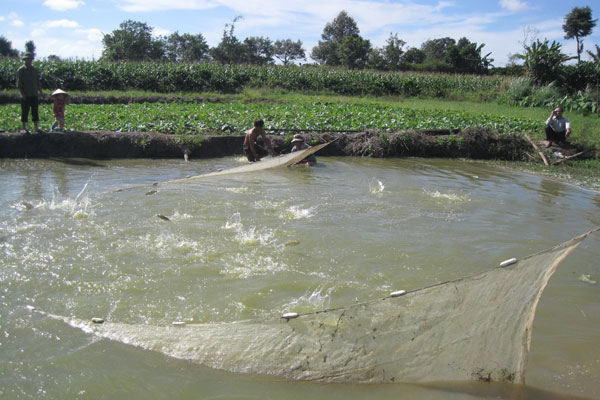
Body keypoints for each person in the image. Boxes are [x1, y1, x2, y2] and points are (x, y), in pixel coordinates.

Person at [16, 52, 43, 133]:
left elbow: (37, 82)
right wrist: (22, 93)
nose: (29, 61)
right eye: (27, 59)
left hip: (34, 93)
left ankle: (36, 128)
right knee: (25, 111)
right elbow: (19, 83)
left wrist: (41, 92)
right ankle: (24, 128)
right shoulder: (21, 70)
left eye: (30, 59)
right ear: (24, 60)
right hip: (26, 94)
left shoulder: (34, 70)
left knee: (35, 111)